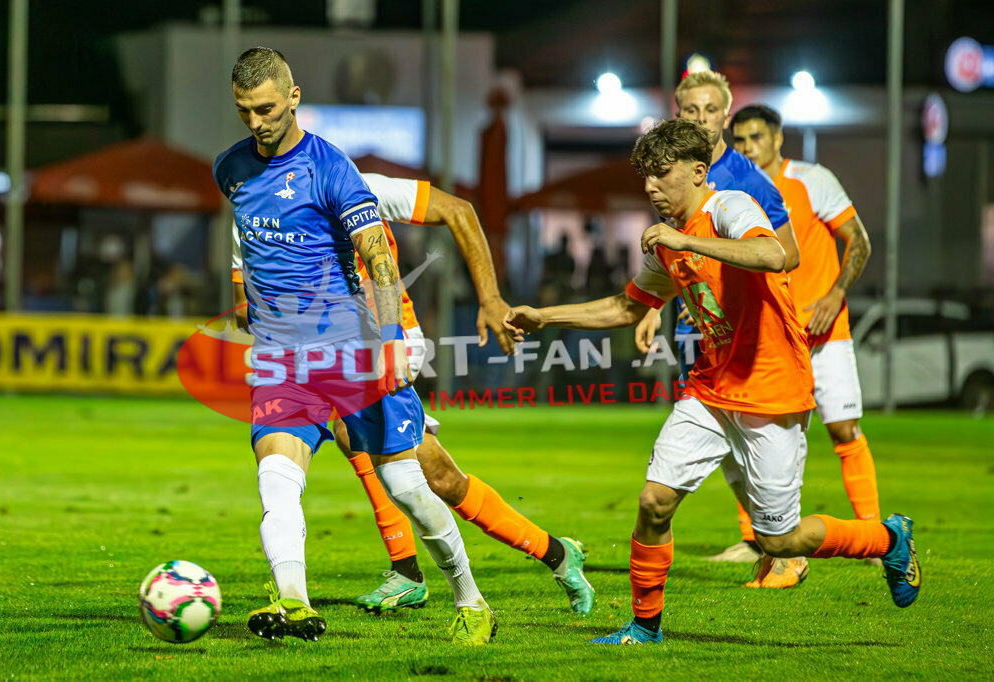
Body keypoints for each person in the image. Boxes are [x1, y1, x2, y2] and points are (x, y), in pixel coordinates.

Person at [505, 119, 921, 646]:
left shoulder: (728, 207)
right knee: (654, 500)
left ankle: (888, 538)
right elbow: (627, 306)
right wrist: (545, 317)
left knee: (780, 538)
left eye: (662, 174)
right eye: (646, 178)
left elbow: (772, 254)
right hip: (709, 388)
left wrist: (685, 238)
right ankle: (644, 626)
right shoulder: (667, 241)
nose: (652, 187)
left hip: (772, 388)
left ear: (699, 171)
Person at [215, 46, 495, 645]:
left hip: (354, 356)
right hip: (284, 363)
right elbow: (248, 242)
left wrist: (392, 341)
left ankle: (470, 597)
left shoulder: (331, 168)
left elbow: (380, 258)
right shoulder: (230, 168)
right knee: (276, 480)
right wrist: (246, 301)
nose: (256, 123)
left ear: (293, 98)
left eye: (265, 109)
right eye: (244, 112)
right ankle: (294, 601)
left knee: (409, 490)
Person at [231, 174, 594, 616]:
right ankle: (551, 553)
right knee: (436, 475)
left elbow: (459, 210)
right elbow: (244, 300)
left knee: (380, 448)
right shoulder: (256, 202)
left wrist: (491, 298)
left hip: (392, 339)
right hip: (323, 347)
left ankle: (415, 572)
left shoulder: (360, 185)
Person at [633, 69, 801, 572]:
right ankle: (753, 541)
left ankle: (778, 544)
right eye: (691, 110)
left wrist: (697, 257)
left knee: (780, 504)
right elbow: (659, 275)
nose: (702, 118)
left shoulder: (745, 183)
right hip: (711, 345)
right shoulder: (674, 179)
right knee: (675, 483)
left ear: (724, 115)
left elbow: (781, 255)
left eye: (710, 110)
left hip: (766, 346)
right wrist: (655, 302)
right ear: (678, 111)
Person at [731, 104, 881, 569]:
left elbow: (859, 240)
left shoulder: (812, 179)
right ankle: (753, 541)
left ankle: (875, 536)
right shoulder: (734, 190)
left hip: (824, 331)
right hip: (772, 335)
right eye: (739, 140)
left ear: (778, 139)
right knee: (751, 428)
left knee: (843, 428)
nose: (746, 147)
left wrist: (835, 295)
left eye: (755, 137)